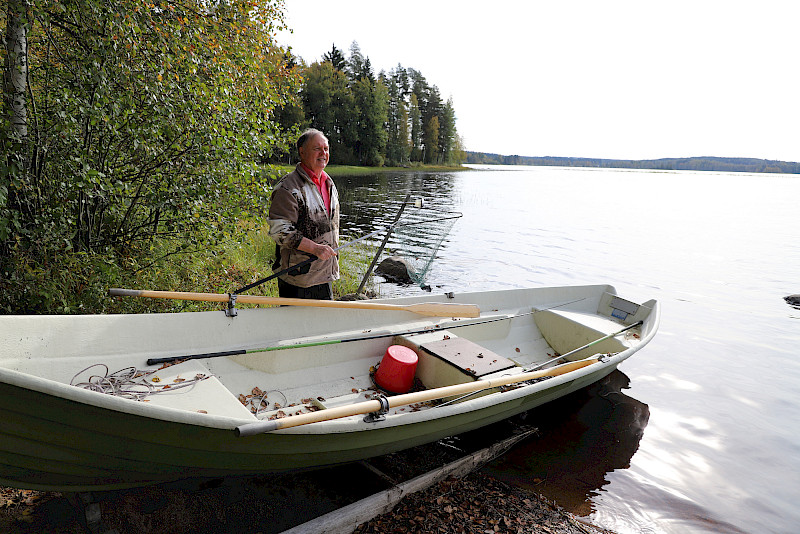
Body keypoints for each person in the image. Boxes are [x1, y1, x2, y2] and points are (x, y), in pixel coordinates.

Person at [268, 129, 340, 300]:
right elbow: (280, 232)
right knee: (294, 326)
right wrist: (315, 248)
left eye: (326, 148)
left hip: (324, 274)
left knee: (325, 326)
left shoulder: (329, 183)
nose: (323, 153)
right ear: (302, 151)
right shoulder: (288, 187)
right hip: (297, 278)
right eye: (317, 148)